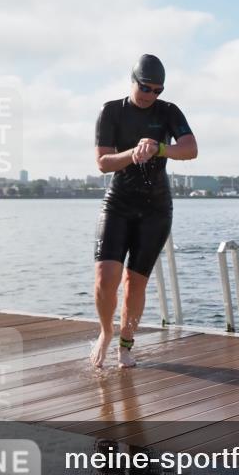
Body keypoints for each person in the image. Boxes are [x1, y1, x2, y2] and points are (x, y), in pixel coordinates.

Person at [91, 54, 198, 368]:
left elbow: (191, 149)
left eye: (158, 90)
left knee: (135, 283)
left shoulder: (168, 112)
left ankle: (125, 343)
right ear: (133, 81)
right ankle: (104, 331)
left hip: (156, 208)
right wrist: (133, 153)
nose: (151, 95)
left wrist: (159, 148)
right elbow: (102, 163)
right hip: (119, 203)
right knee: (104, 278)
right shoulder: (111, 111)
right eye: (146, 88)